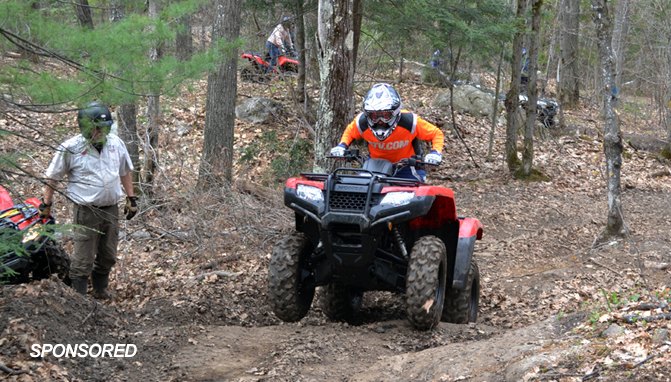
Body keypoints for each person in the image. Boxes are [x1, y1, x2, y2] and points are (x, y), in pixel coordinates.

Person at [39, 101, 137, 299]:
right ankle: (79, 299)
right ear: (85, 127)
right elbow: (53, 177)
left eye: (104, 127)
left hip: (110, 208)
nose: (101, 132)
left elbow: (125, 171)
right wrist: (46, 204)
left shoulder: (115, 144)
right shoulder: (71, 148)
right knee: (83, 257)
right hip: (86, 211)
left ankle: (101, 290)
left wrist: (131, 198)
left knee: (108, 254)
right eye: (96, 128)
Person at [330, 83, 444, 182]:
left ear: (395, 112)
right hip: (375, 165)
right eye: (374, 115)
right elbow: (350, 132)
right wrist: (342, 146)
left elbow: (436, 133)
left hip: (408, 167)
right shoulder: (362, 122)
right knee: (363, 192)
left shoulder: (410, 122)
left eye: (385, 115)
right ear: (367, 114)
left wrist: (435, 152)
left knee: (415, 198)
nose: (380, 121)